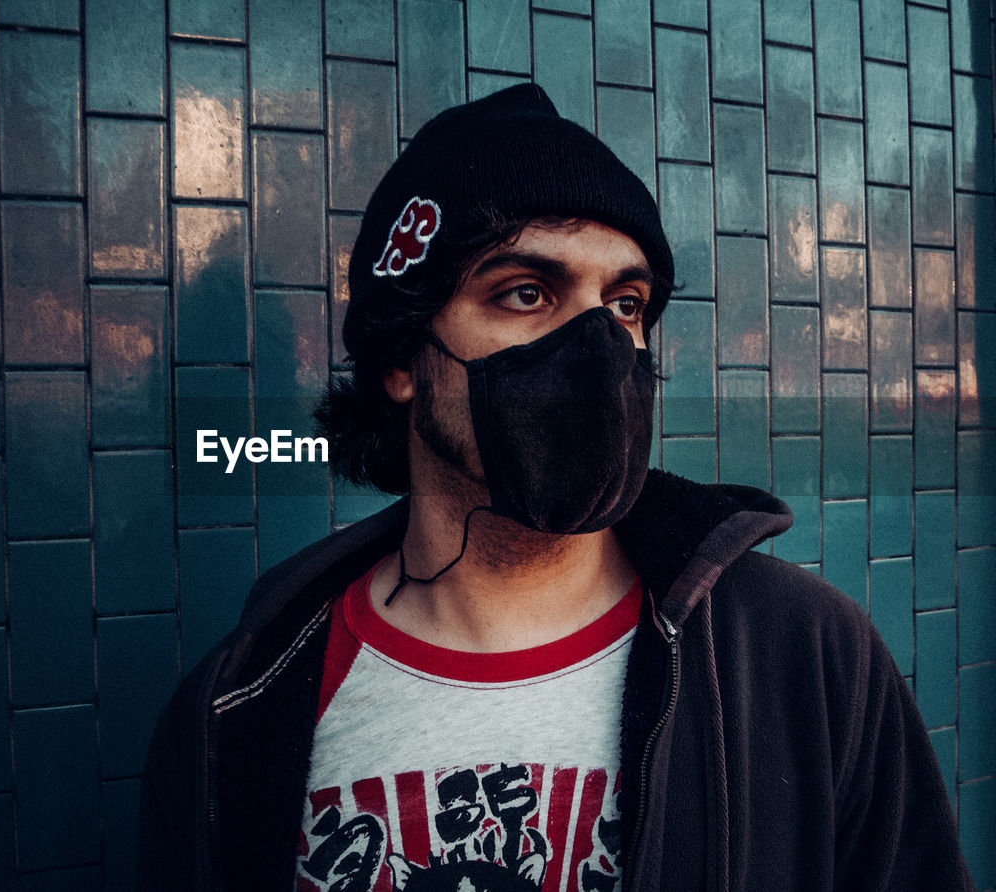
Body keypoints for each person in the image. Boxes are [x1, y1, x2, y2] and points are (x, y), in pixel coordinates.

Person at [140, 84, 974, 891]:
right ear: (400, 360)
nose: (600, 345)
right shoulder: (239, 711)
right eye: (527, 293)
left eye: (626, 303)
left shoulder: (804, 658)